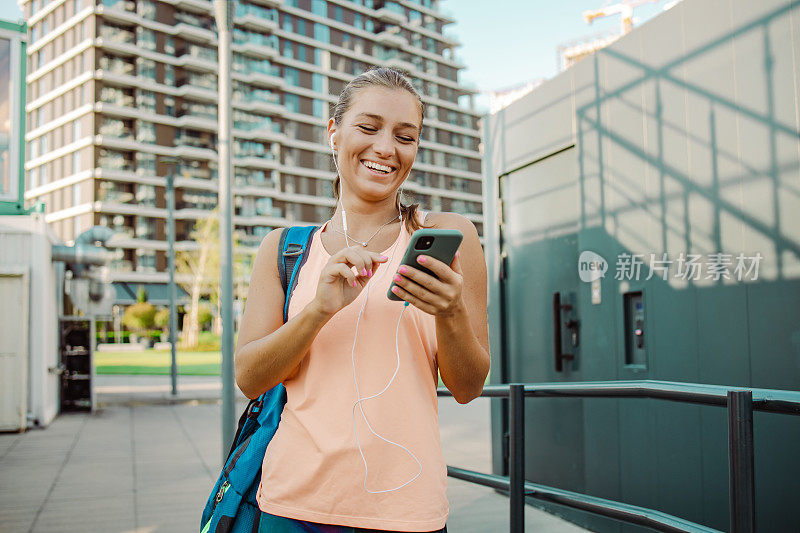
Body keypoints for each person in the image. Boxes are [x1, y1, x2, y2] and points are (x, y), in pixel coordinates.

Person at [234, 67, 490, 533]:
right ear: (334, 132)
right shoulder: (285, 249)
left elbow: (468, 386)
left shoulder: (449, 236)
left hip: (407, 511)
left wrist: (451, 313)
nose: (386, 148)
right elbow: (250, 378)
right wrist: (318, 310)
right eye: (368, 128)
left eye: (405, 136)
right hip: (293, 507)